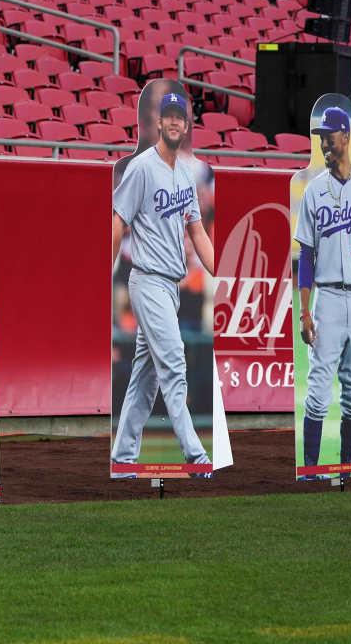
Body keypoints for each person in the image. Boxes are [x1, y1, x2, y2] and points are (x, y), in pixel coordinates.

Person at [110, 91, 215, 473]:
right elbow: (119, 220)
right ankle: (196, 455)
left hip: (170, 284)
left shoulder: (185, 173)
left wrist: (222, 272)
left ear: (187, 126)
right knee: (174, 364)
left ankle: (122, 458)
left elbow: (197, 230)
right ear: (158, 123)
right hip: (148, 279)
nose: (173, 122)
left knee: (145, 376)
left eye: (179, 117)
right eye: (168, 115)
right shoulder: (142, 167)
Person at [293, 107, 351, 473]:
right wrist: (305, 310)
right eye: (321, 138)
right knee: (316, 396)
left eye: (329, 137)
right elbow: (306, 257)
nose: (324, 143)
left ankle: (346, 471)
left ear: (346, 137)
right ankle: (312, 470)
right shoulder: (314, 191)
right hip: (327, 299)